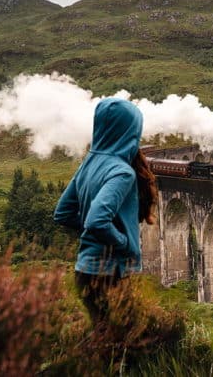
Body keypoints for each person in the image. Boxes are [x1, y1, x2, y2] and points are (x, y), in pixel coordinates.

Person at [54, 97, 156, 323]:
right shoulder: (123, 172)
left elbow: (63, 213)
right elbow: (97, 221)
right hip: (112, 273)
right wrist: (123, 243)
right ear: (131, 132)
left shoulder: (89, 163)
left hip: (85, 270)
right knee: (124, 341)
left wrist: (94, 234)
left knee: (105, 337)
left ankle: (79, 358)